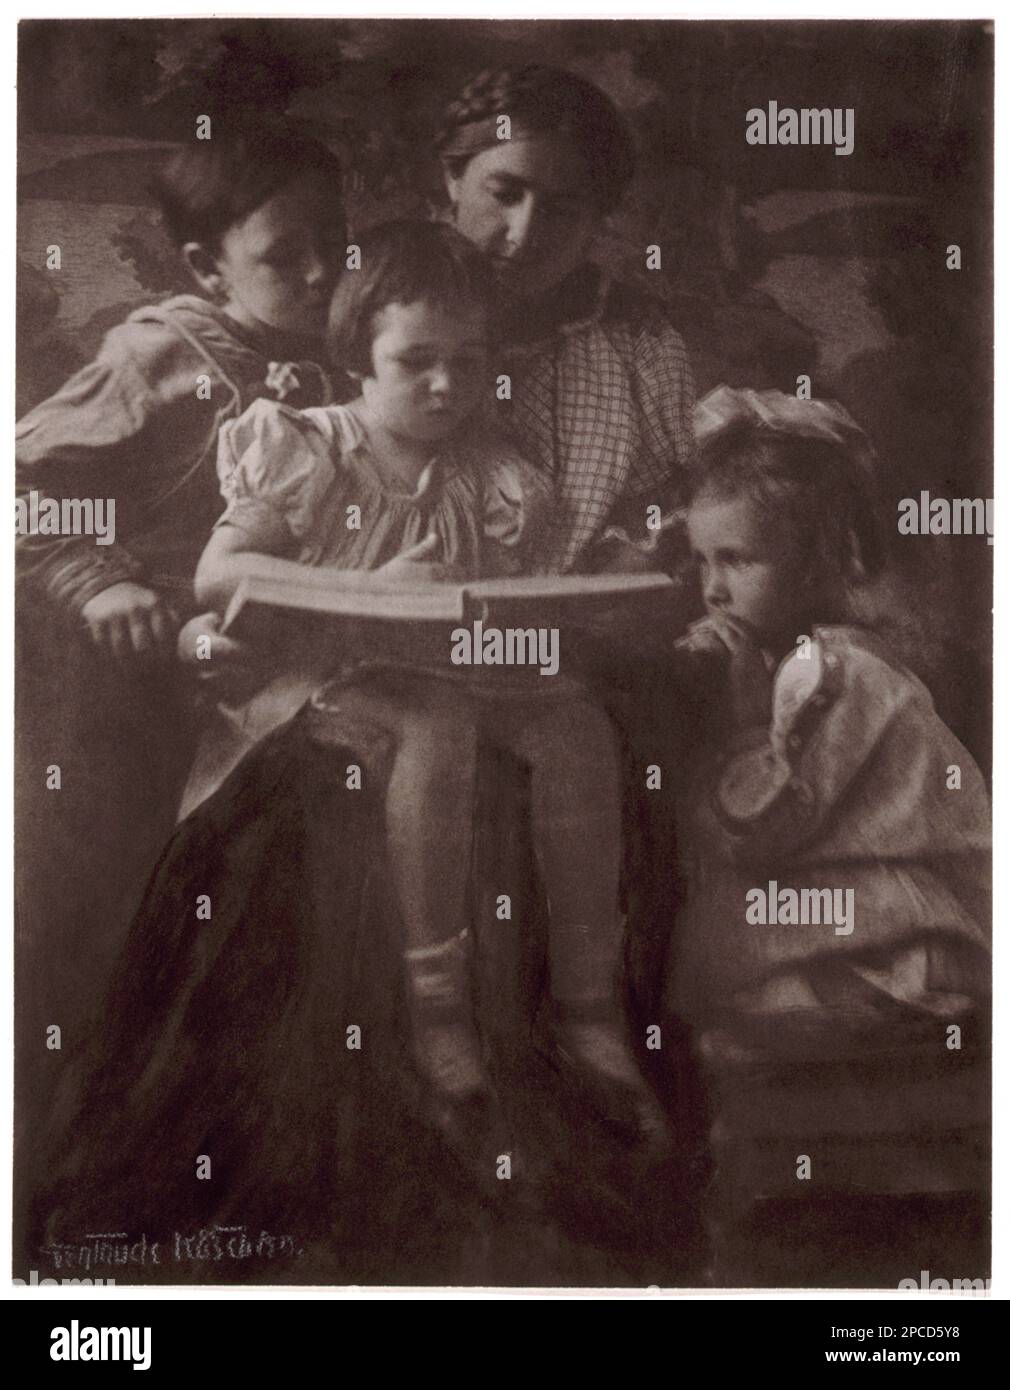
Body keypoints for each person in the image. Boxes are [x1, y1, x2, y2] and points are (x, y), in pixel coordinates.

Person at [191, 219, 667, 1151]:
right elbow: (219, 578)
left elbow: (488, 600)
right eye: (417, 361)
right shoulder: (310, 446)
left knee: (575, 724)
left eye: (469, 360)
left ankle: (588, 1005)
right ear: (358, 357)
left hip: (449, 666)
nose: (448, 384)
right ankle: (437, 1006)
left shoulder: (492, 471)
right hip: (320, 677)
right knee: (438, 718)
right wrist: (364, 591)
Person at [15, 119, 345, 1044]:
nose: (323, 272)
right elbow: (20, 477)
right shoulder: (162, 353)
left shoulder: (349, 356)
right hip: (148, 642)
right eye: (288, 255)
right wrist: (95, 580)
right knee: (117, 873)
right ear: (208, 269)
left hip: (279, 648)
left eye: (338, 244)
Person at [667, 385, 990, 1049]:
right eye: (702, 561)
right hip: (877, 889)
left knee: (720, 924)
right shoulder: (816, 656)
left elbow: (765, 829)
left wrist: (751, 726)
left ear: (816, 560)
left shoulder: (830, 673)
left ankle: (850, 1016)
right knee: (720, 921)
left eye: (737, 560)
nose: (712, 589)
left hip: (925, 921)